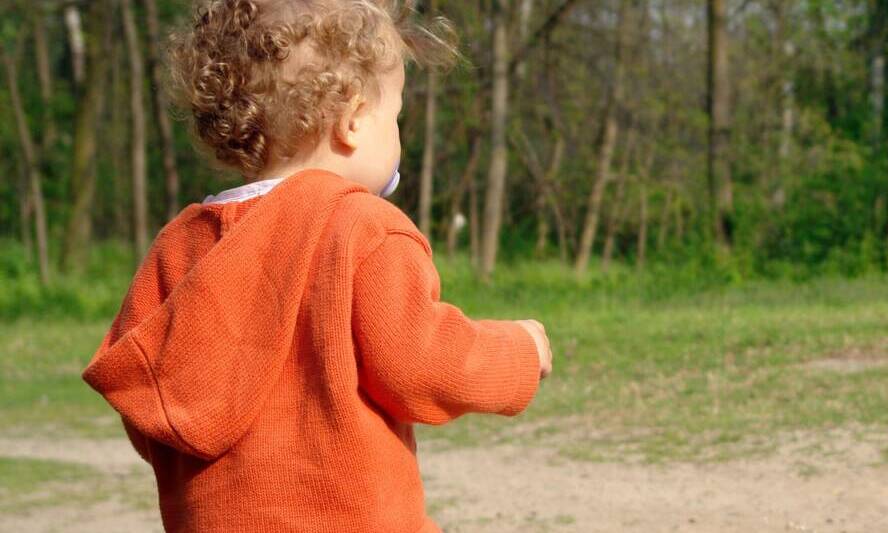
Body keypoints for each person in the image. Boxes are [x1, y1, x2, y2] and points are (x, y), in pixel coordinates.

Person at [81, 1, 553, 531]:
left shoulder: (179, 247)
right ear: (352, 121)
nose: (398, 135)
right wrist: (518, 350)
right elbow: (421, 363)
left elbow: (151, 402)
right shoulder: (360, 228)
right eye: (394, 115)